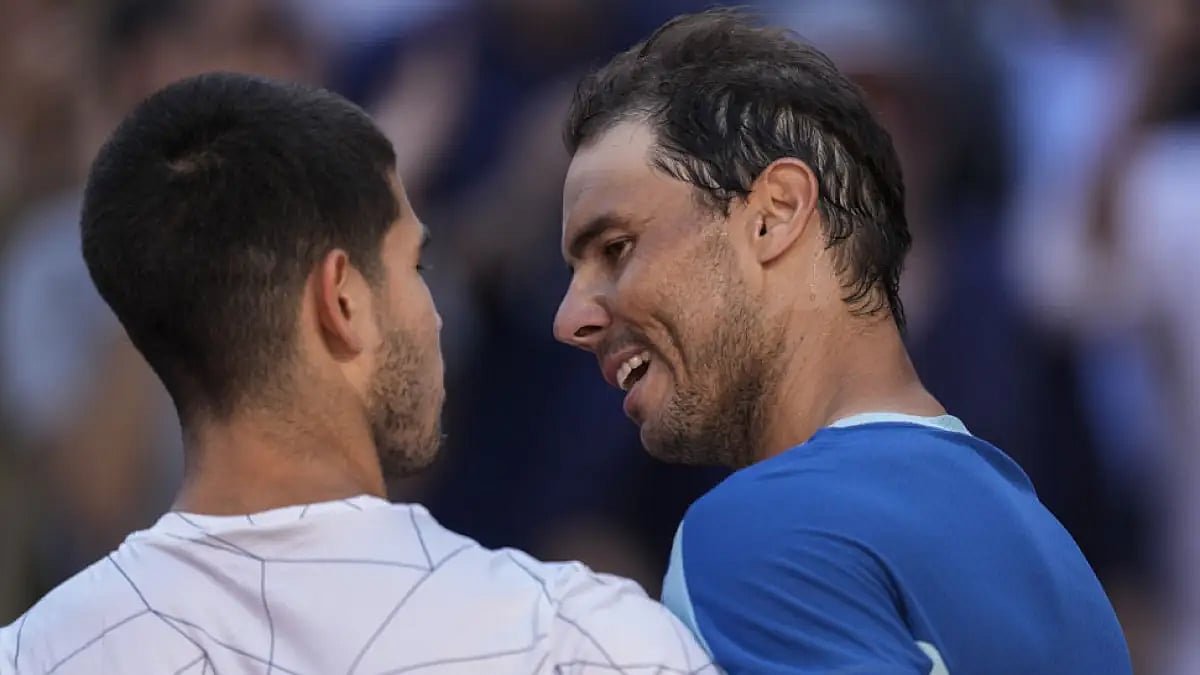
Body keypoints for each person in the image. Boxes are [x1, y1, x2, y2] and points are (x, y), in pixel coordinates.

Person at [0, 72, 714, 675]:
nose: (437, 317)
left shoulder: (36, 653)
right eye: (415, 266)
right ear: (342, 299)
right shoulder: (578, 642)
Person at [553, 9, 1132, 674]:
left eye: (617, 247)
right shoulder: (1048, 549)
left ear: (773, 217)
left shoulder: (759, 534)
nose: (569, 319)